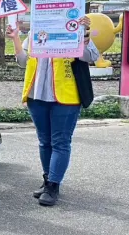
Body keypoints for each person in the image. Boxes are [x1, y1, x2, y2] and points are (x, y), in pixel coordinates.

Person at [7, 16, 98, 206]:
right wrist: (15, 38)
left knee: (60, 142)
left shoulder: (74, 32)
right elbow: (23, 62)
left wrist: (83, 36)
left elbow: (91, 57)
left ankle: (53, 185)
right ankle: (48, 179)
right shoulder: (35, 34)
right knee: (44, 142)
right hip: (37, 96)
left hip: (66, 97)